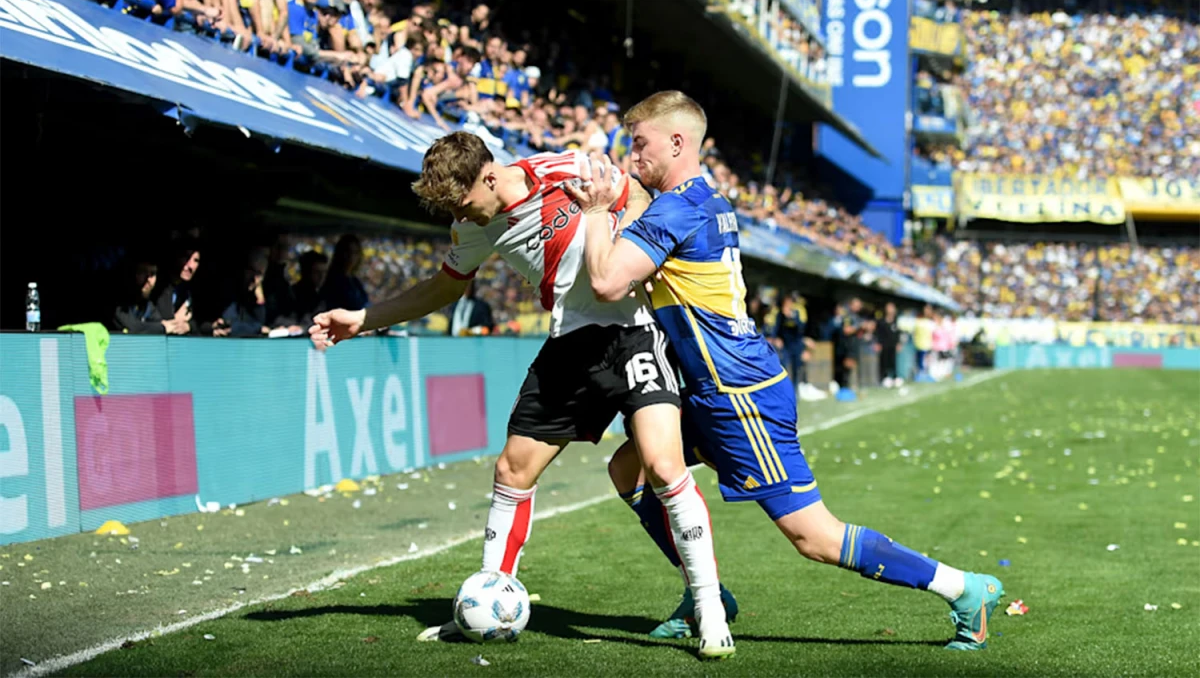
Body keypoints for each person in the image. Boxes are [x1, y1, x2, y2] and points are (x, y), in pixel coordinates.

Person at [565, 90, 1004, 651]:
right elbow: (638, 219)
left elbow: (607, 281)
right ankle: (708, 593)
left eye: (640, 144)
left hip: (737, 394)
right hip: (710, 388)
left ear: (677, 142)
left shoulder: (678, 207)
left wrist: (596, 211)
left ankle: (964, 589)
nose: (632, 157)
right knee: (629, 469)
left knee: (813, 537)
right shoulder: (698, 199)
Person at [309, 131, 734, 660]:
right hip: (569, 343)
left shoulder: (565, 168)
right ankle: (488, 598)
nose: (461, 215)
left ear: (489, 176)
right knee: (512, 469)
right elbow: (442, 288)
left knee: (663, 467)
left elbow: (642, 200)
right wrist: (363, 320)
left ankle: (710, 609)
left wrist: (630, 250)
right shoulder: (473, 225)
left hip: (634, 331)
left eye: (463, 202)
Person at [876, 302, 903, 388]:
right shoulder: (881, 321)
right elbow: (878, 333)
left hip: (893, 345)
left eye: (892, 308)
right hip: (884, 345)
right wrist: (878, 343)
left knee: (893, 362)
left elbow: (898, 333)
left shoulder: (896, 321)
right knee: (884, 361)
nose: (891, 310)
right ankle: (885, 378)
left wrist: (899, 343)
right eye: (889, 308)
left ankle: (895, 377)